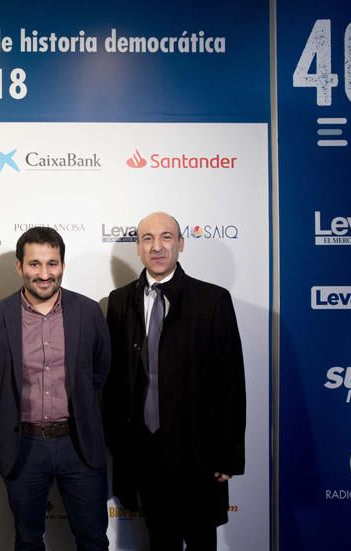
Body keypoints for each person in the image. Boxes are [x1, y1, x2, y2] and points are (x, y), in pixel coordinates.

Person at [104, 211, 246, 551]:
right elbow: (113, 382)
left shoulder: (212, 300)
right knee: (160, 540)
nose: (157, 247)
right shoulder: (120, 301)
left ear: (180, 244)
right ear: (138, 248)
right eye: (148, 239)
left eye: (166, 237)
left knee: (201, 540)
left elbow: (231, 382)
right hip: (145, 451)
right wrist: (116, 447)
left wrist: (228, 455)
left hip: (198, 453)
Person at [0, 227, 110, 551]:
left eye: (52, 264)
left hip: (78, 443)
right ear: (19, 267)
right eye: (35, 264)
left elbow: (100, 370)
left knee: (93, 540)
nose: (44, 274)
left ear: (63, 265)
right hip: (23, 447)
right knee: (27, 540)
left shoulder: (88, 312)